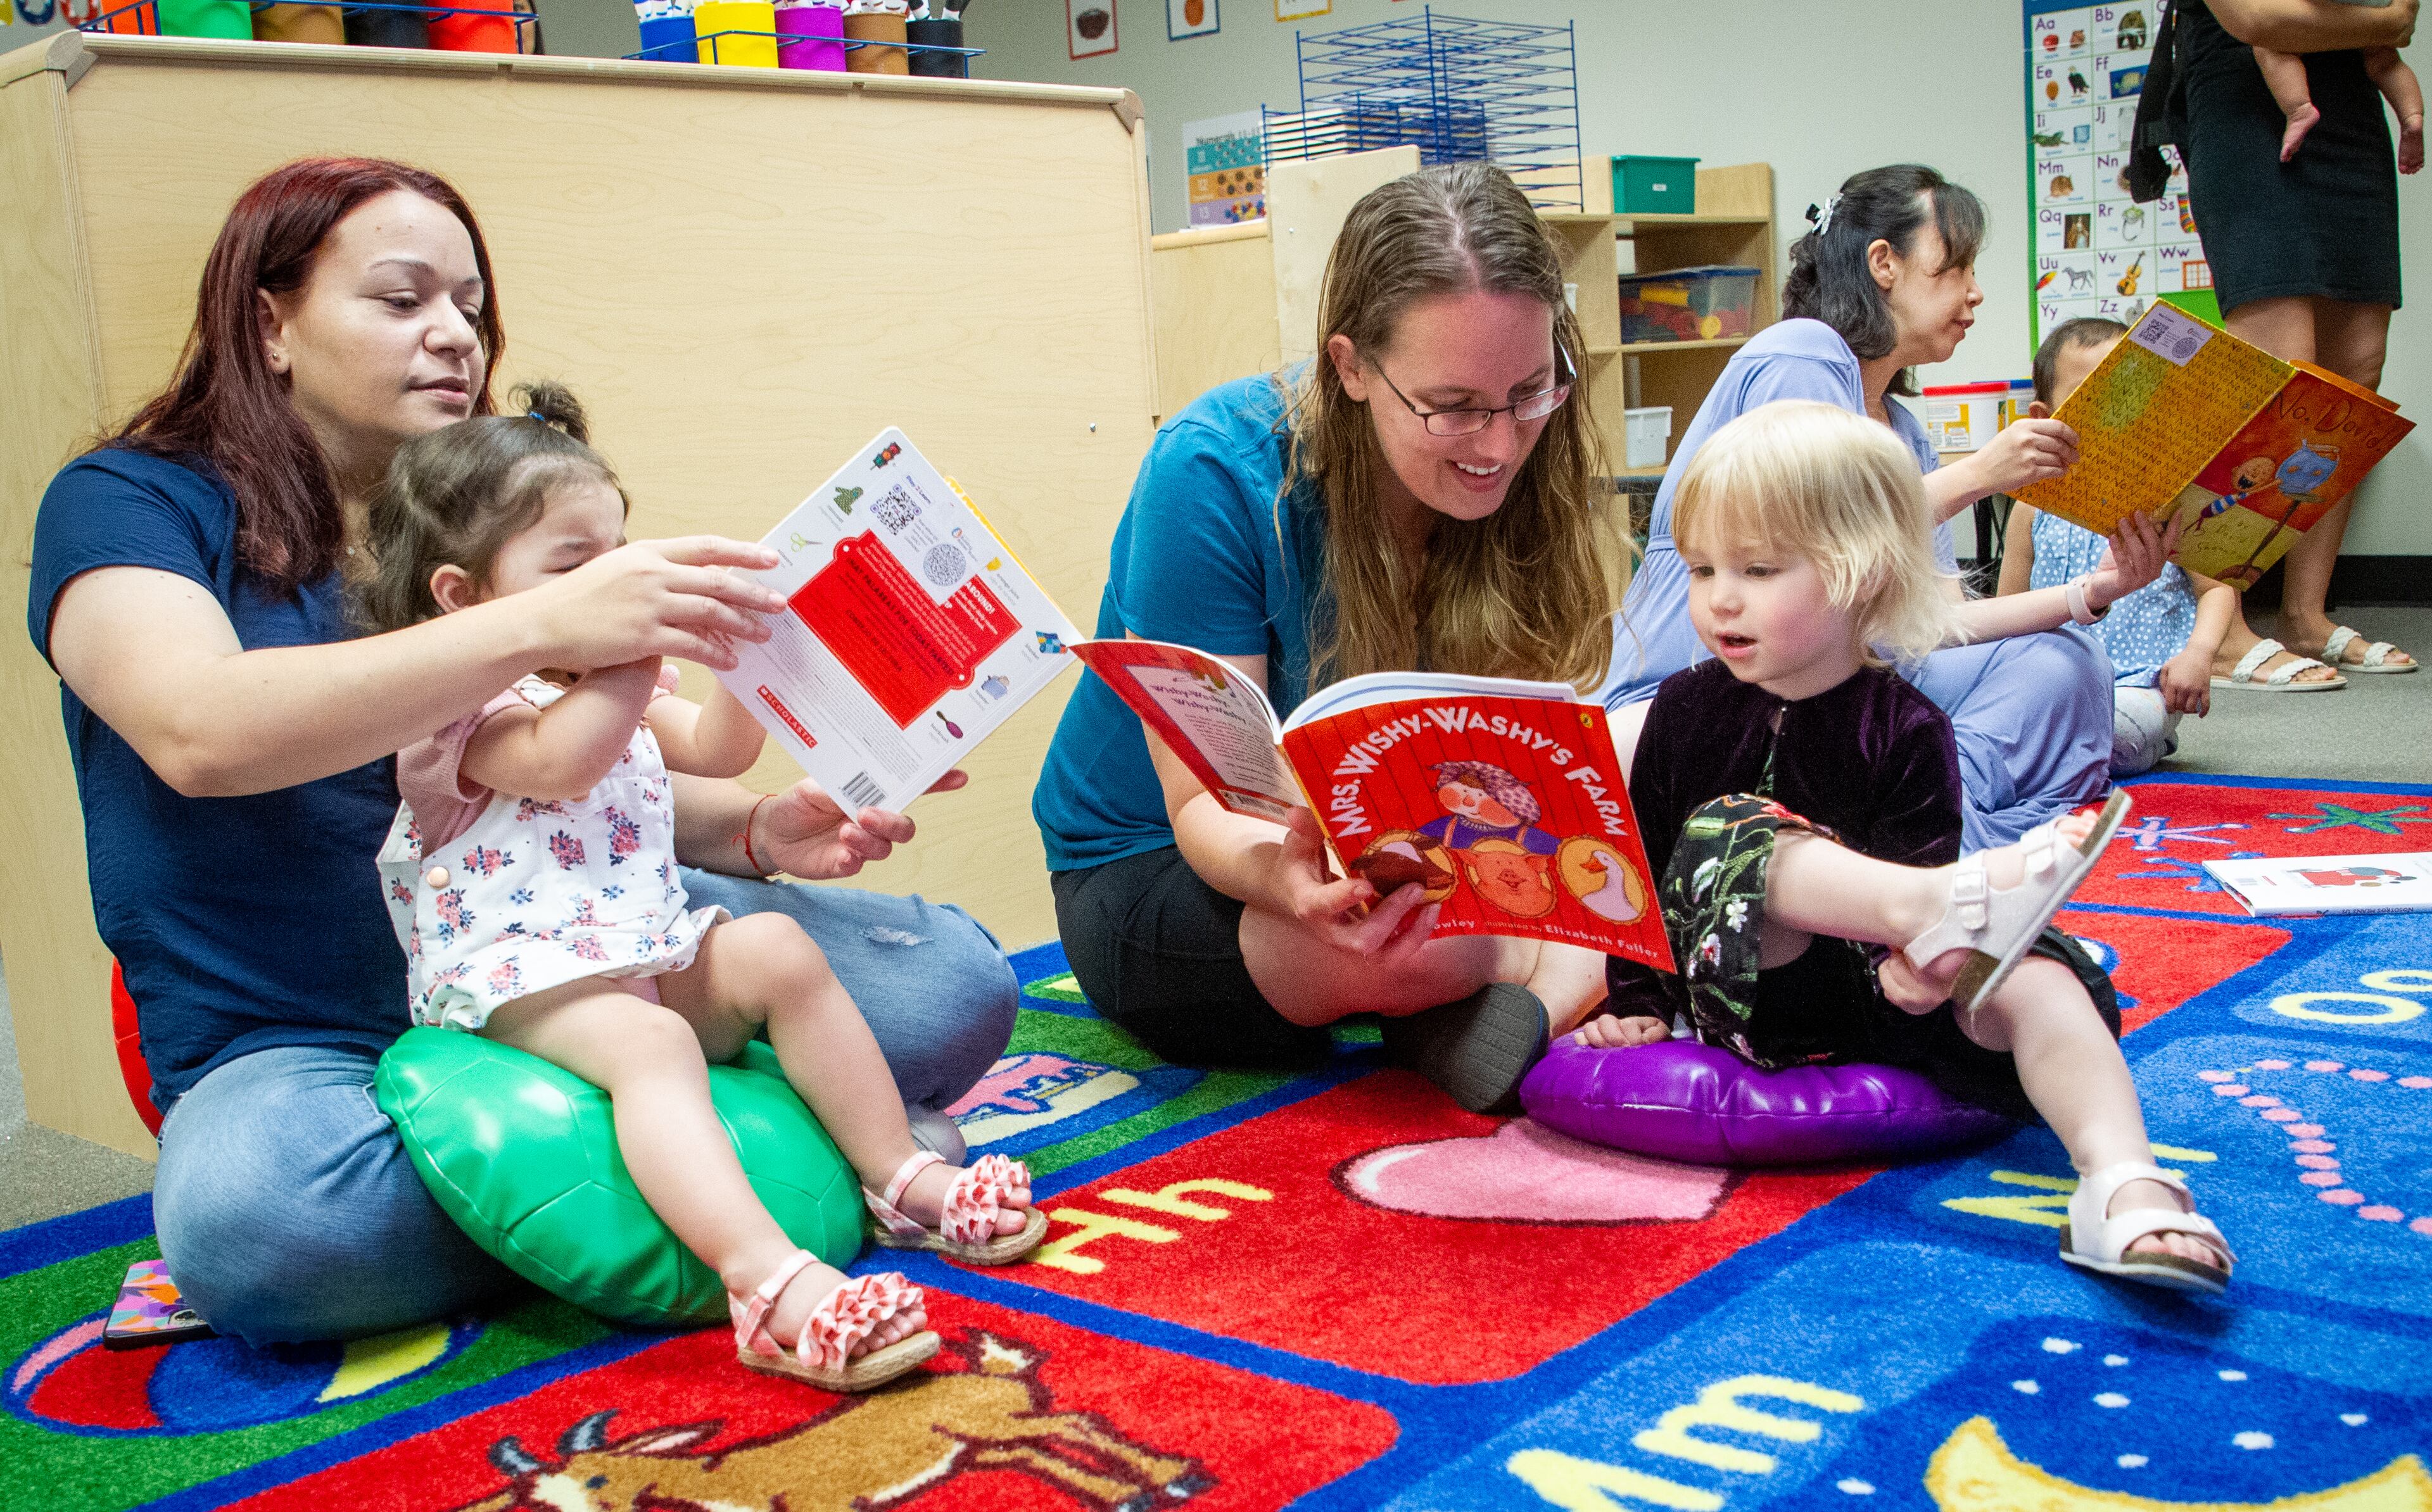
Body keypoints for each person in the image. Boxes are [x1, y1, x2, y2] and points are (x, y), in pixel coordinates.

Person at [25, 158, 1018, 1347]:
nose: (455, 336)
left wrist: (759, 830)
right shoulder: (127, 501)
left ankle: (657, 1182)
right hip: (309, 1029)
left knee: (952, 985)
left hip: (577, 938)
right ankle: (776, 1164)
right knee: (269, 1223)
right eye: (403, 301)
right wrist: (553, 619)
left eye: (472, 305)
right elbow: (201, 730)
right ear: (270, 322)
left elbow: (582, 778)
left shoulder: (481, 508)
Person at [354, 383, 1043, 1389]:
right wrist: (641, 641)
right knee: (654, 1042)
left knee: (777, 952)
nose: (618, 583)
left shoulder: (625, 689)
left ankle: (898, 1174)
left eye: (622, 552)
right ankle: (764, 1286)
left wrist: (753, 654)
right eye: (579, 565)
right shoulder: (455, 712)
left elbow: (719, 749)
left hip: (644, 947)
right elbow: (563, 762)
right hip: (519, 987)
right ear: (464, 599)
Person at [1579, 401, 2234, 1294]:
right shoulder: (1687, 710)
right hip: (1747, 980)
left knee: (2033, 973)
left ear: (1863, 576)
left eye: (1759, 568)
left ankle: (2123, 1182)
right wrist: (1639, 998)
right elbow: (1645, 871)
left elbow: (1922, 862)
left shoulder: (1909, 724)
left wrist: (1926, 975)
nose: (1719, 596)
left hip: (1878, 987)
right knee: (1729, 829)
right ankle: (1933, 911)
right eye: (1702, 569)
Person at [1033, 163, 1618, 1113]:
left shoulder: (1523, 460)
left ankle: (1490, 988)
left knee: (1672, 834)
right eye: (1453, 405)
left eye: (1529, 391)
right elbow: (1203, 812)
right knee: (1423, 946)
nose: (1501, 444)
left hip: (1401, 862)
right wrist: (1292, 881)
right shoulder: (1214, 468)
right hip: (1171, 865)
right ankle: (1536, 990)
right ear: (1350, 366)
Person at [1603, 164, 2164, 852]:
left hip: (1839, 674)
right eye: (1955, 268)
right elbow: (1803, 544)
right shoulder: (1801, 354)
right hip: (1721, 679)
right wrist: (1981, 475)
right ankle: (1933, 830)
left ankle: (1945, 811)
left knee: (2070, 660)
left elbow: (1933, 625)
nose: (1975, 293)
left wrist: (2090, 593)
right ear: (1884, 264)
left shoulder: (1906, 428)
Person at [2177, 0, 2421, 676]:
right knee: (2277, 379)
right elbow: (2259, 18)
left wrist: (2379, 30)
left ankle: (2305, 616)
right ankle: (2222, 626)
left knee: (2351, 378)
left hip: (2350, 114)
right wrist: (2380, 24)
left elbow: (2399, 18)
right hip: (2247, 108)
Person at [1999, 320, 2278, 776]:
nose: (2113, 411)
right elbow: (2008, 605)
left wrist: (2198, 654)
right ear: (2045, 417)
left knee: (2114, 735)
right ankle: (2053, 755)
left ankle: (2076, 755)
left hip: (2142, 685)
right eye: (2091, 397)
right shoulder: (2032, 506)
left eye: (2127, 392)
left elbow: (2216, 588)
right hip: (2052, 684)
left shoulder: (2172, 498)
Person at [2253, 20, 2421, 168]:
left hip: (2311, 12)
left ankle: (2300, 110)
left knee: (2269, 44)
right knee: (2385, 60)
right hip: (2367, 10)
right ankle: (2411, 117)